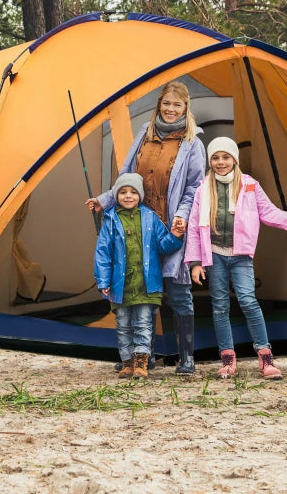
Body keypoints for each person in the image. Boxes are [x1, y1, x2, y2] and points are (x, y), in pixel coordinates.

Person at [86, 80, 205, 374]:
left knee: (177, 291)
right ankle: (144, 356)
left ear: (185, 108)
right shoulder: (144, 135)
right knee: (140, 291)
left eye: (177, 105)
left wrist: (182, 214)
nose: (170, 109)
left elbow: (195, 187)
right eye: (166, 103)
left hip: (171, 223)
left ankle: (186, 357)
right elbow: (125, 176)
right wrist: (105, 200)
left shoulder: (193, 142)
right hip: (138, 225)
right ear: (159, 104)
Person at [185, 137, 287, 380]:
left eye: (225, 157)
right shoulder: (203, 189)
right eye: (215, 158)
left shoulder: (249, 185)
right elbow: (195, 227)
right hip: (215, 255)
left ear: (234, 159)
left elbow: (267, 211)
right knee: (219, 307)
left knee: (248, 301)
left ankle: (265, 357)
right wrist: (195, 263)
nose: (220, 162)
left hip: (240, 257)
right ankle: (227, 360)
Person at [94, 173, 185, 379]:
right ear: (116, 195)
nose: (128, 196)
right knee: (123, 325)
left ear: (140, 195)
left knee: (144, 324)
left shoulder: (150, 217)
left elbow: (163, 245)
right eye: (123, 192)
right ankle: (127, 362)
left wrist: (176, 237)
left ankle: (141, 363)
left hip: (146, 284)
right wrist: (103, 280)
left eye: (133, 192)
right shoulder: (110, 220)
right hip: (120, 285)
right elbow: (102, 252)